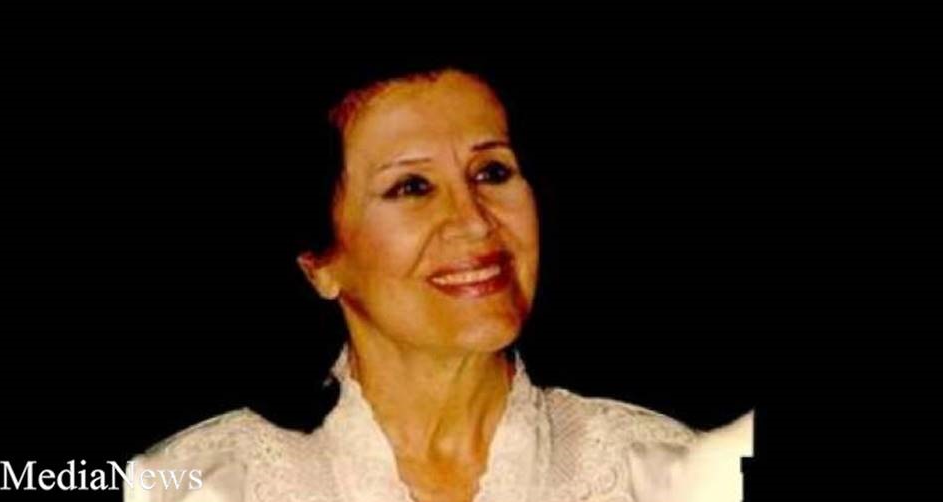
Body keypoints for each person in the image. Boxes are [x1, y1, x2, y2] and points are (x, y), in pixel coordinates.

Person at [124, 67, 751, 502]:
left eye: (493, 172)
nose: (474, 221)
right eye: (412, 187)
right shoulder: (195, 482)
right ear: (321, 263)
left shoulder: (664, 473)